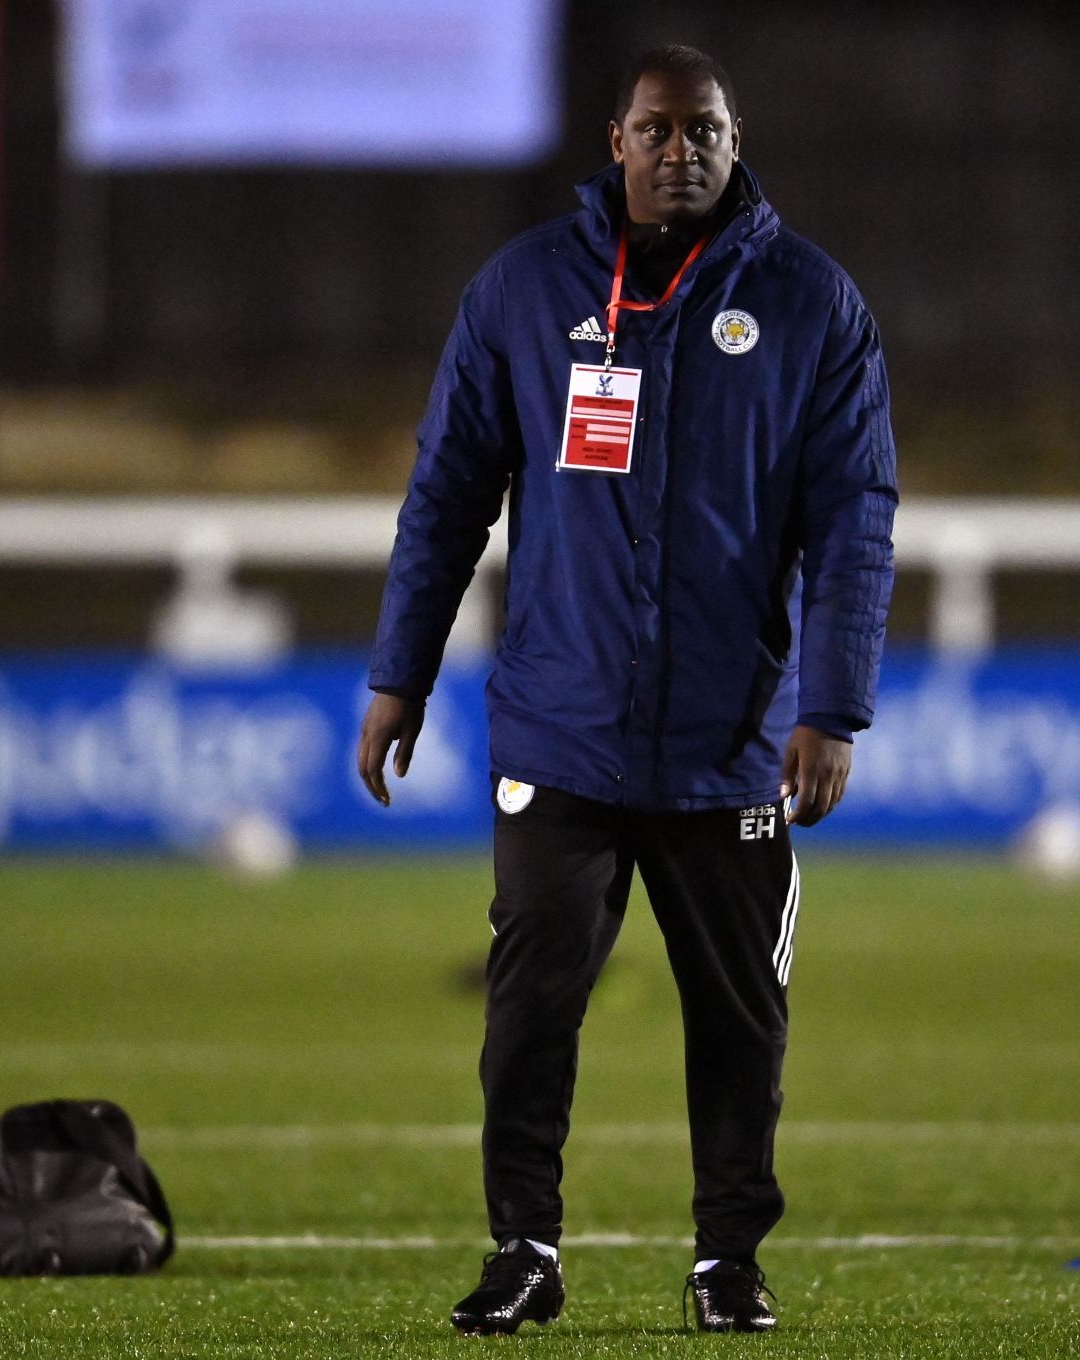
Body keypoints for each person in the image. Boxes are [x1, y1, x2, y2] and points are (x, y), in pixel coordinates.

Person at [358, 45, 898, 1336]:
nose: (680, 153)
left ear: (734, 135)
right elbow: (446, 501)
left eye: (702, 132)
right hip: (564, 729)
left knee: (740, 1022)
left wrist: (832, 705)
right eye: (657, 131)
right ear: (615, 140)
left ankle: (728, 1261)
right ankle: (524, 1250)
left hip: (732, 746)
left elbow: (855, 516)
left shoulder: (814, 303)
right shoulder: (525, 292)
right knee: (531, 1004)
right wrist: (398, 674)